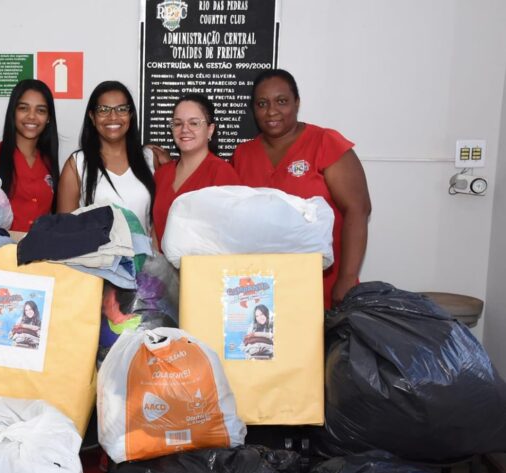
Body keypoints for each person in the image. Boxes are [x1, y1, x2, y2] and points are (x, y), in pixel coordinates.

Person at [233, 69, 371, 308]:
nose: (272, 111)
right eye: (262, 103)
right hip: (261, 289)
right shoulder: (243, 154)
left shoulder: (325, 143)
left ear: (297, 103)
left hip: (324, 283)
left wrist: (347, 277)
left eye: (282, 101)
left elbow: (358, 209)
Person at [56, 80, 156, 233]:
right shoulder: (77, 164)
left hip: (146, 256)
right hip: (97, 257)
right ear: (92, 116)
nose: (113, 117)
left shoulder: (151, 159)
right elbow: (65, 230)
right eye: (103, 110)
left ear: (131, 115)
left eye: (121, 109)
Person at [152, 93, 241, 248]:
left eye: (194, 123)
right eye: (178, 123)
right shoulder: (161, 174)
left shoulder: (222, 173)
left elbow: (232, 234)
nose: (185, 129)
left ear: (210, 130)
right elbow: (154, 229)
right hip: (161, 269)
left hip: (203, 269)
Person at [0, 79, 59, 232]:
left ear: (48, 118)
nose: (32, 116)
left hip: (42, 252)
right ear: (13, 112)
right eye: (24, 108)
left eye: (41, 110)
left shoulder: (48, 162)